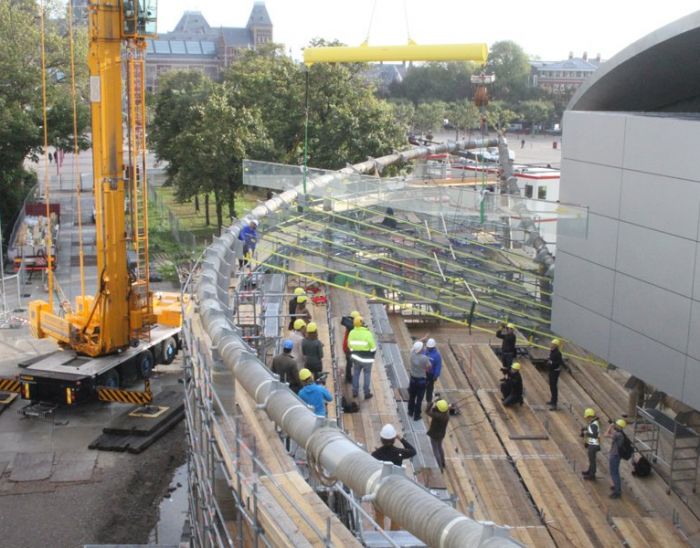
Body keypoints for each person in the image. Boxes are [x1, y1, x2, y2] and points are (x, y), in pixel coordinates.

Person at [371, 424, 417, 530]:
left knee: (379, 516)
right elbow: (413, 451)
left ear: (381, 439)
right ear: (393, 439)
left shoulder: (375, 454)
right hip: (395, 489)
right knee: (395, 515)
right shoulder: (399, 453)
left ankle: (379, 537)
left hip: (380, 488)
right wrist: (400, 438)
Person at [347, 316, 377, 400]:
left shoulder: (352, 333)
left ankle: (355, 392)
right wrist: (371, 353)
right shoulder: (367, 333)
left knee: (356, 374)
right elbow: (373, 347)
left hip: (356, 358)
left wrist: (354, 351)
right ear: (362, 323)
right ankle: (366, 393)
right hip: (367, 359)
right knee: (367, 375)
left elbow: (349, 345)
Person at [407, 340, 430, 421]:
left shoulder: (412, 354)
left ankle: (410, 411)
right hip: (421, 381)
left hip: (413, 379)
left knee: (412, 397)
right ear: (420, 349)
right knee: (419, 399)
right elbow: (429, 367)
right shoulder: (425, 358)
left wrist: (423, 339)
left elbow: (414, 347)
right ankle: (417, 415)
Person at [427, 399, 450, 471]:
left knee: (435, 450)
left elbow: (427, 411)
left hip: (434, 434)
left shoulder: (437, 415)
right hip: (441, 434)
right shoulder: (446, 415)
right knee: (440, 447)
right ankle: (443, 463)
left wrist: (432, 403)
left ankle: (439, 467)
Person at [606, 419, 627, 498]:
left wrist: (610, 426)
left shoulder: (618, 435)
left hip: (615, 455)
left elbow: (606, 434)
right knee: (615, 472)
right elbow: (612, 435)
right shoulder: (620, 434)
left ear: (619, 426)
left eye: (616, 425)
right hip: (617, 455)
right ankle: (617, 487)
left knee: (614, 473)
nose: (615, 425)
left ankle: (617, 492)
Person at [581, 407, 601, 480]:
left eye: (587, 417)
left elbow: (594, 435)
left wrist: (587, 433)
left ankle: (592, 475)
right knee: (591, 459)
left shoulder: (594, 424)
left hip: (593, 444)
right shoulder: (593, 422)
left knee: (592, 460)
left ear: (589, 416)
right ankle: (589, 471)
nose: (586, 419)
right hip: (592, 443)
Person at [341, 310, 360, 384]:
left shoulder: (350, 325)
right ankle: (348, 378)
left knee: (349, 363)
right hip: (348, 348)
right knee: (349, 363)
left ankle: (348, 377)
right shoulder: (352, 327)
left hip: (347, 346)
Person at [547, 338, 564, 410]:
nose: (551, 345)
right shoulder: (552, 352)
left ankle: (554, 403)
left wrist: (552, 363)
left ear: (556, 346)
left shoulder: (558, 353)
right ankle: (552, 400)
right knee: (551, 386)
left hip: (554, 372)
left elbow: (560, 362)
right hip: (551, 370)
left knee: (554, 387)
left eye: (553, 344)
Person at [424, 338, 442, 406]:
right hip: (424, 372)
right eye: (428, 347)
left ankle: (429, 401)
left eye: (430, 347)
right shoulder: (426, 352)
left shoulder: (437, 355)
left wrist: (436, 375)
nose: (428, 348)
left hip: (431, 375)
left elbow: (438, 366)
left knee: (429, 389)